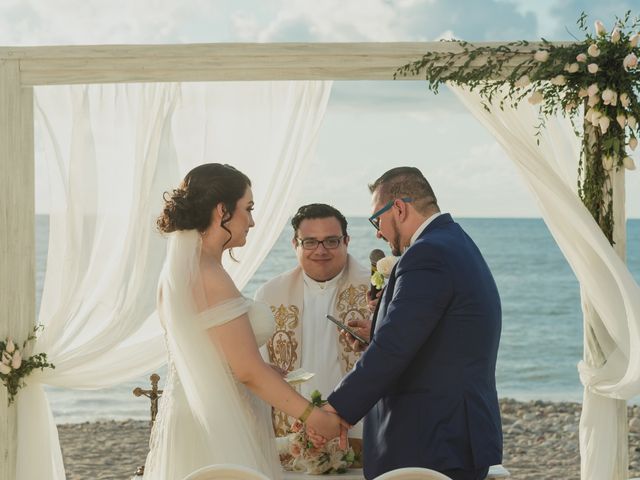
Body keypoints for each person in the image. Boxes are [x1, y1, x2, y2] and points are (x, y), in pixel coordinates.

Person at [143, 164, 341, 480]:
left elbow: (217, 357)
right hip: (219, 425)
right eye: (247, 209)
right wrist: (313, 416)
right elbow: (248, 370)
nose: (252, 221)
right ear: (222, 209)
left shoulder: (182, 272)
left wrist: (265, 372)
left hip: (197, 414)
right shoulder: (210, 275)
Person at [326, 166, 503, 480]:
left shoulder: (427, 254)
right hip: (450, 435)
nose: (378, 232)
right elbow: (435, 334)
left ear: (398, 208)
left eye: (376, 220)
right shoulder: (455, 242)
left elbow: (395, 346)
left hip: (432, 440)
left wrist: (337, 410)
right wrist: (374, 334)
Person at [255, 203, 370, 451]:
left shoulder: (372, 289)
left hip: (360, 428)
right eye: (310, 242)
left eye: (331, 241)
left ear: (346, 241)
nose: (321, 250)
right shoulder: (269, 294)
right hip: (292, 430)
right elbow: (261, 371)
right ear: (294, 244)